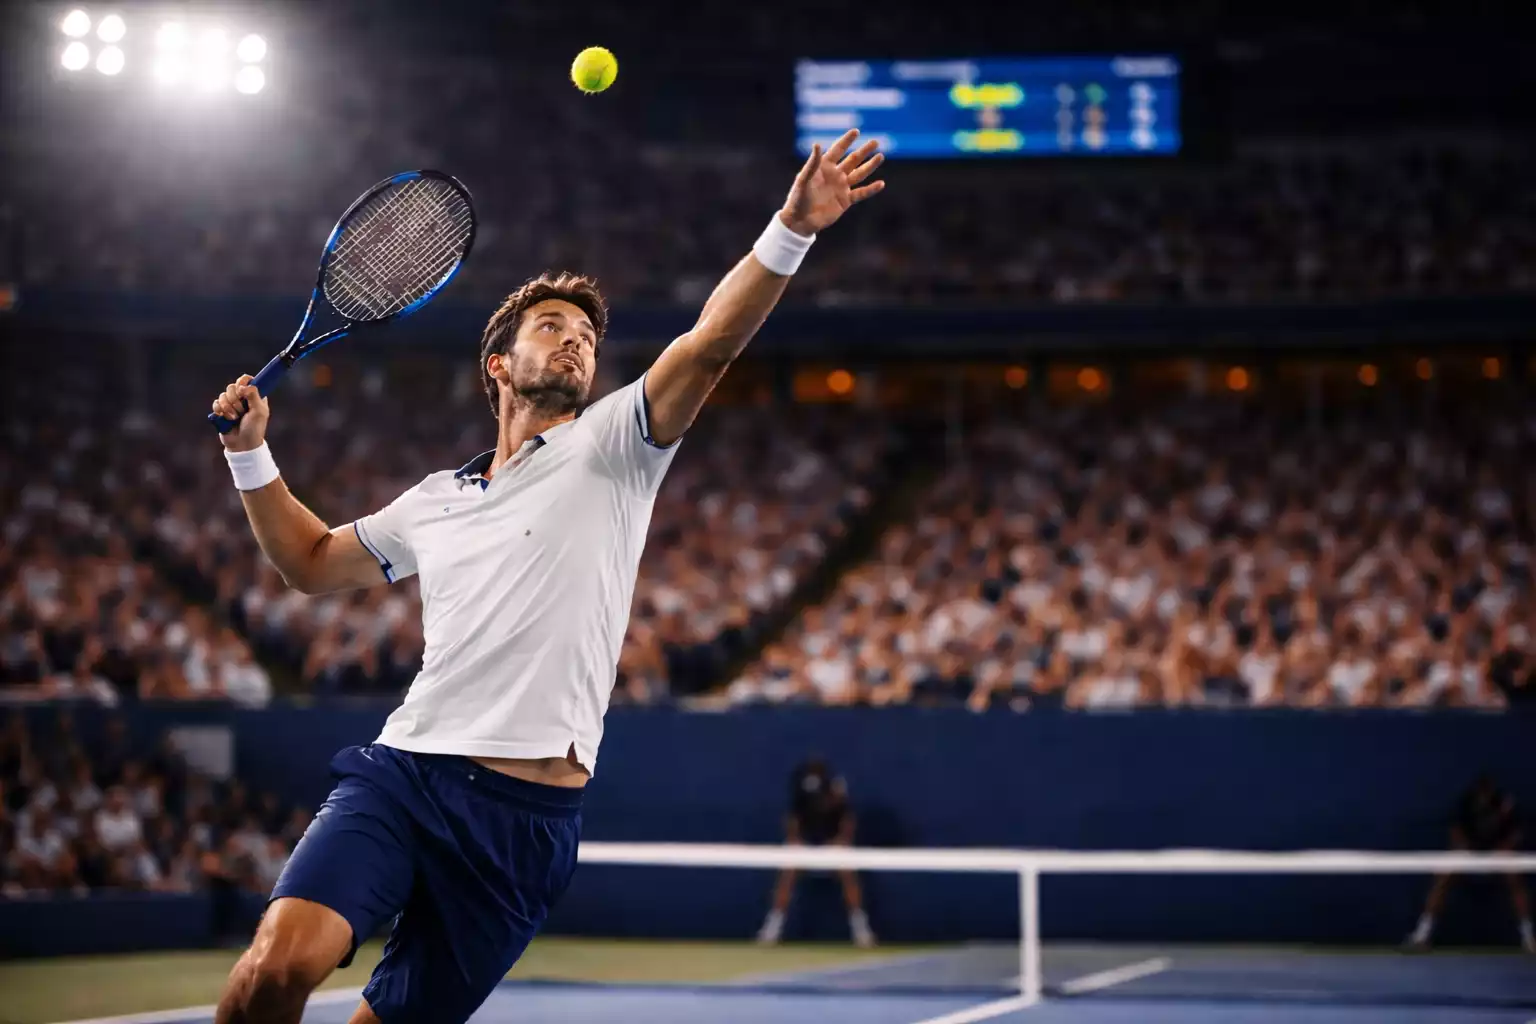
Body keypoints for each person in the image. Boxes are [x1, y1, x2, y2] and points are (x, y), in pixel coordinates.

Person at [206, 130, 884, 1024]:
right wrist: (252, 456)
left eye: (587, 337)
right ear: (500, 367)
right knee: (270, 975)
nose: (575, 345)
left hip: (525, 827)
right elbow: (306, 563)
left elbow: (708, 344)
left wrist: (790, 230)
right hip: (406, 777)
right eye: (552, 328)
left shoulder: (616, 446)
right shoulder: (432, 500)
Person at [1404, 773, 1534, 953]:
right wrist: (1467, 852)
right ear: (1476, 793)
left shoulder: (1506, 804)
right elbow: (1455, 834)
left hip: (1498, 855)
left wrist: (1502, 850)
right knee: (1442, 877)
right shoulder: (1464, 804)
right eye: (1481, 793)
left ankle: (1528, 938)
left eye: (1487, 793)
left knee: (1516, 879)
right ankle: (1422, 934)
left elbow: (1517, 834)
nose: (1484, 797)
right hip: (1468, 854)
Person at [756, 755, 876, 948]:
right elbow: (792, 827)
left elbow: (848, 827)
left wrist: (839, 844)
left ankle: (861, 929)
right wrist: (796, 844)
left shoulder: (839, 798)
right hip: (806, 848)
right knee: (788, 870)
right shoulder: (801, 796)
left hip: (833, 847)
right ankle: (772, 929)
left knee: (847, 872)